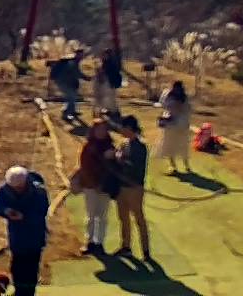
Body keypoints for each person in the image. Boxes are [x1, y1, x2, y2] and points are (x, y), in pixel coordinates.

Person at [0, 165, 50, 296]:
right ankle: (19, 291)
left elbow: (42, 211)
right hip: (16, 235)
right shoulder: (5, 189)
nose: (16, 190)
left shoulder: (39, 192)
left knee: (31, 266)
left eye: (19, 187)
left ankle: (29, 292)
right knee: (17, 265)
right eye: (14, 188)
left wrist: (24, 217)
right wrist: (6, 211)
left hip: (35, 234)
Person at [112, 115, 150, 260]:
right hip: (122, 187)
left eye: (123, 127)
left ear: (129, 128)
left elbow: (136, 169)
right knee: (123, 217)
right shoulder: (123, 144)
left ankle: (145, 251)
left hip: (134, 188)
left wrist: (121, 160)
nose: (121, 130)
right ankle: (126, 246)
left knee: (139, 218)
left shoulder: (140, 147)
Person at [78, 119, 116, 254]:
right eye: (99, 129)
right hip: (90, 186)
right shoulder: (88, 147)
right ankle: (89, 242)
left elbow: (113, 169)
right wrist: (94, 184)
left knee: (103, 216)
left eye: (104, 129)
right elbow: (85, 168)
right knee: (91, 215)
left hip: (105, 187)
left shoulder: (110, 147)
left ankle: (99, 242)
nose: (101, 132)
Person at [156, 80, 193, 174]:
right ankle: (175, 166)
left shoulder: (184, 98)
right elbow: (164, 106)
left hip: (179, 125)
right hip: (172, 125)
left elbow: (187, 111)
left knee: (180, 146)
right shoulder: (168, 95)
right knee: (171, 146)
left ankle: (184, 166)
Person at [50, 50, 89, 122]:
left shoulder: (73, 61)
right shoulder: (72, 62)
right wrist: (86, 78)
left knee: (71, 96)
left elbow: (74, 73)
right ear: (77, 55)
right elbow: (76, 73)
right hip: (62, 82)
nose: (82, 56)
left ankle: (72, 111)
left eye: (82, 55)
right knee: (71, 97)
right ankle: (66, 115)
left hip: (67, 82)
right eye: (81, 55)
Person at [95, 48, 123, 119]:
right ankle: (111, 111)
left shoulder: (111, 63)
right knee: (109, 98)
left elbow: (111, 72)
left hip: (112, 82)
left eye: (105, 54)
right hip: (109, 82)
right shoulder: (106, 62)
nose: (104, 56)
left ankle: (115, 112)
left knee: (111, 98)